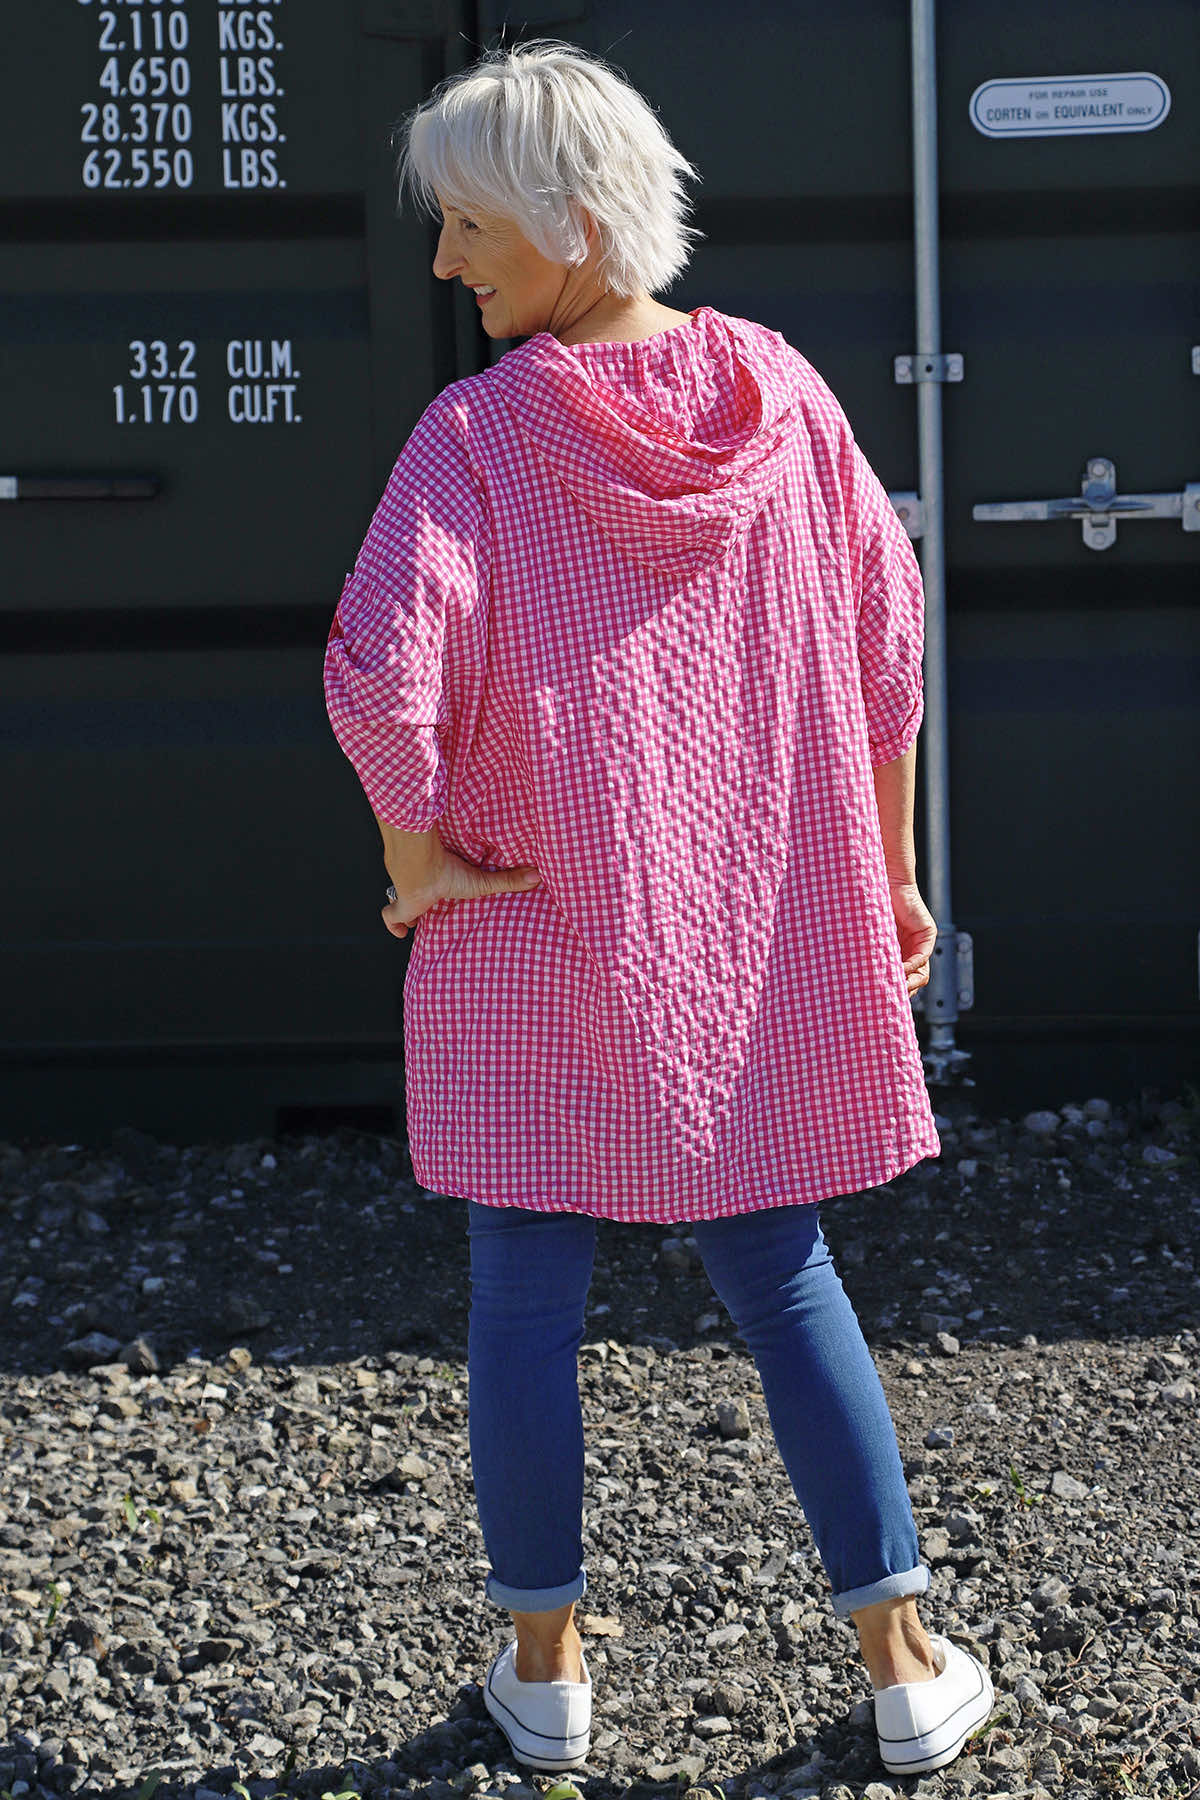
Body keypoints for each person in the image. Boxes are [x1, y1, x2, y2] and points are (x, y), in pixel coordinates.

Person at [324, 39, 994, 1781]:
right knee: (784, 1276)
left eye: (470, 226)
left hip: (529, 929)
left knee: (522, 1297)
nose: (446, 261)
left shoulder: (475, 438)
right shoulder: (781, 393)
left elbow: (379, 669)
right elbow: (890, 644)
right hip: (749, 939)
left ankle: (544, 1676)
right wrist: (891, 868)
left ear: (570, 219)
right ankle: (905, 1664)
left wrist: (413, 859)